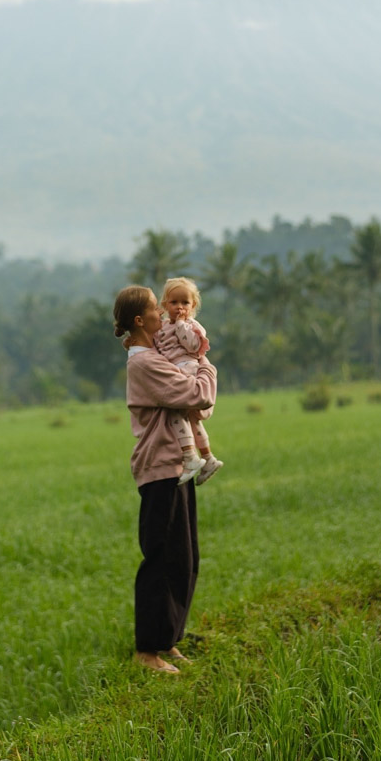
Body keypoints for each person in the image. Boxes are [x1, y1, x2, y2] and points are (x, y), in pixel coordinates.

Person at [114, 284, 217, 674]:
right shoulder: (144, 364)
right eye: (157, 309)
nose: (164, 313)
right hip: (159, 467)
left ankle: (168, 639)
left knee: (185, 557)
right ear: (140, 321)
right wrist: (207, 364)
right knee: (160, 557)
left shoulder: (153, 354)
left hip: (177, 465)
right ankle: (147, 651)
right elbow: (198, 395)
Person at [153, 277, 223, 485]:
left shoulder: (192, 326)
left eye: (185, 303)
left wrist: (182, 325)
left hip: (187, 371)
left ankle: (190, 456)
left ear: (193, 306)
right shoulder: (164, 326)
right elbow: (157, 344)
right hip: (174, 371)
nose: (180, 307)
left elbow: (193, 347)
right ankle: (208, 458)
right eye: (174, 303)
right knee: (193, 419)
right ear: (165, 305)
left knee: (176, 411)